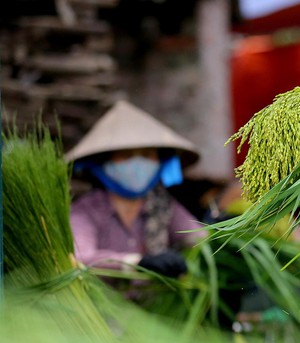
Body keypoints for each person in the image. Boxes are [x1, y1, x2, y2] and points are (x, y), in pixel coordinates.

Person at [66, 100, 207, 281]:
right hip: (99, 306)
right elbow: (81, 257)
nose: (138, 163)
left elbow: (199, 240)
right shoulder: (86, 211)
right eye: (126, 156)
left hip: (152, 305)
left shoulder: (163, 206)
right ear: (103, 162)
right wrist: (137, 263)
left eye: (147, 155)